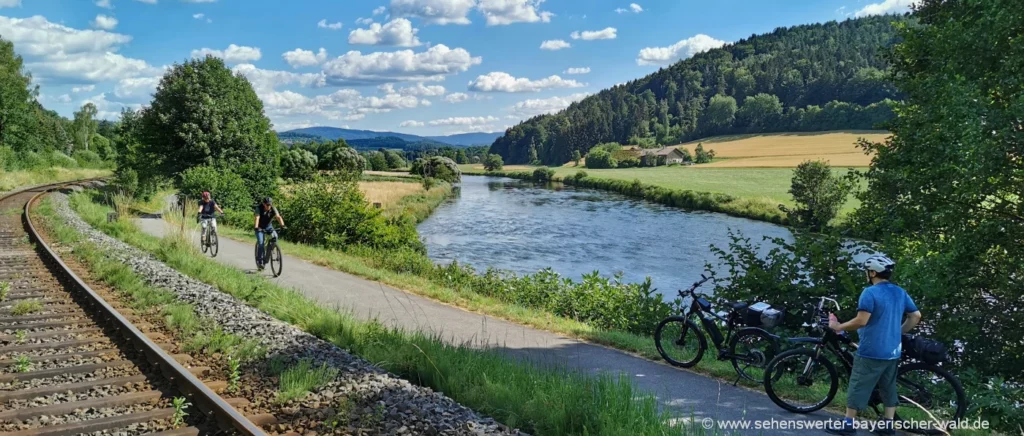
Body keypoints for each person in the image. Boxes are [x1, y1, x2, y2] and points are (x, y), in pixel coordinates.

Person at [826, 255, 922, 435]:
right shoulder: (899, 292)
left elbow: (861, 321)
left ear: (872, 272)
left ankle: (848, 424)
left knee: (858, 384)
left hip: (871, 349)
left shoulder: (870, 293)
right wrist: (897, 333)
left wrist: (838, 326)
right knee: (888, 386)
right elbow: (915, 316)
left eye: (867, 271)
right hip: (892, 350)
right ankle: (887, 425)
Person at [254, 197, 285, 271]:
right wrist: (256, 227)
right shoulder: (259, 208)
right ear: (263, 204)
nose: (269, 206)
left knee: (275, 237)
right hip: (259, 227)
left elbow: (278, 217)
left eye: (270, 205)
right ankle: (260, 261)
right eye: (267, 205)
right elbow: (257, 218)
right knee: (261, 243)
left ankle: (271, 250)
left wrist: (283, 225)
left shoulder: (273, 208)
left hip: (269, 227)